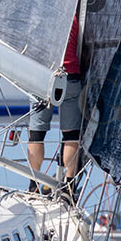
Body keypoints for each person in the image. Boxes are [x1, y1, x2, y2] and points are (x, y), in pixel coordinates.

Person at [27, 14, 83, 185]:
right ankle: (69, 182)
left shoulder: (43, 17)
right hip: (71, 77)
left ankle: (33, 182)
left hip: (44, 76)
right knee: (71, 134)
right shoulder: (76, 19)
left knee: (36, 134)